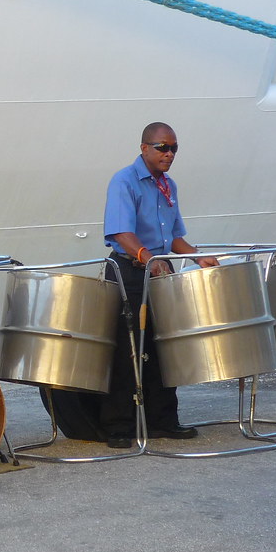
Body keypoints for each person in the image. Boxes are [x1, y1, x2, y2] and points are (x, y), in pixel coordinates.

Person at [100, 122, 219, 448]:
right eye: (162, 148)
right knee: (128, 351)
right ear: (144, 148)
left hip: (158, 271)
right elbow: (121, 233)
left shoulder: (168, 186)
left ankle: (164, 420)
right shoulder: (124, 181)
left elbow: (174, 237)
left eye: (174, 148)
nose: (169, 154)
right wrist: (148, 258)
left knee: (164, 348)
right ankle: (120, 425)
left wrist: (198, 257)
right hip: (130, 271)